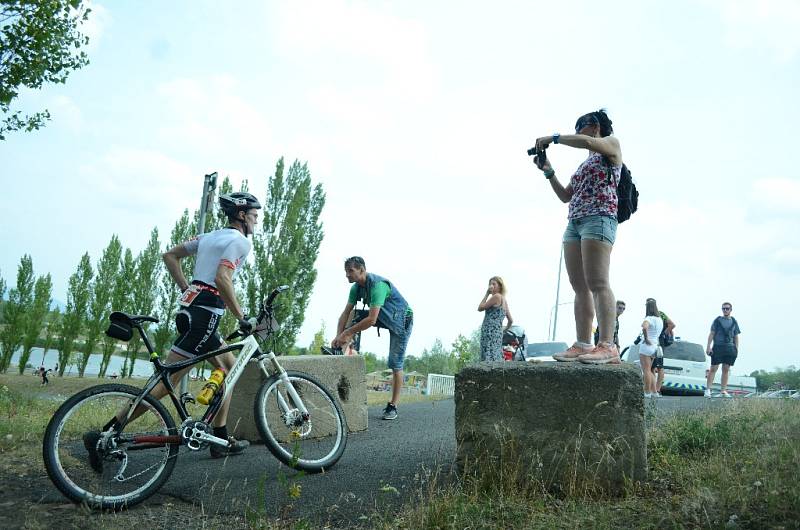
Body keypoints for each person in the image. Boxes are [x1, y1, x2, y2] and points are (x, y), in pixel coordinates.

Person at [87, 192, 263, 467]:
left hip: (192, 311)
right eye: (254, 216)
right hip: (205, 316)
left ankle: (219, 438)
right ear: (241, 216)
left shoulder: (210, 237)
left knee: (228, 368)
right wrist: (242, 316)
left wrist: (186, 287)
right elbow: (222, 278)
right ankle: (105, 434)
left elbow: (170, 255)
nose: (256, 222)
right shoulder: (240, 242)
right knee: (164, 385)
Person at [533, 109, 624, 364]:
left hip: (599, 217)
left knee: (598, 282)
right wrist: (548, 171)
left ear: (594, 126)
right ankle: (584, 343)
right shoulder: (585, 163)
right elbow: (565, 195)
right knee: (579, 286)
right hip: (575, 222)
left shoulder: (612, 144)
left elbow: (586, 142)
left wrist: (554, 138)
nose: (577, 133)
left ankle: (607, 344)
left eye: (579, 128)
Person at [332, 257, 413, 420]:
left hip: (401, 320)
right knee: (354, 315)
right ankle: (338, 349)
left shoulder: (378, 286)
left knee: (395, 363)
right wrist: (338, 335)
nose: (347, 275)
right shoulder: (356, 288)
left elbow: (371, 320)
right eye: (346, 272)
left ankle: (393, 406)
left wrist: (347, 333)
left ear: (362, 270)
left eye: (351, 271)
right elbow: (346, 313)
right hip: (383, 316)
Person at [705, 302, 741, 398]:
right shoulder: (717, 320)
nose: (725, 310)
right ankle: (708, 389)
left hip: (730, 348)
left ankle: (723, 391)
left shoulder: (734, 321)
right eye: (723, 308)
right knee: (713, 368)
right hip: (718, 346)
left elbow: (736, 336)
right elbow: (712, 334)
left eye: (727, 308)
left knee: (726, 369)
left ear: (730, 310)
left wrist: (736, 349)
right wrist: (708, 346)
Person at [478, 276, 514, 361]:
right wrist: (503, 330)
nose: (491, 286)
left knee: (488, 353)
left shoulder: (496, 297)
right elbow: (511, 320)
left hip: (489, 330)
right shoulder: (504, 300)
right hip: (497, 332)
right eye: (490, 284)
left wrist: (487, 293)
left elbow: (480, 308)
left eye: (494, 284)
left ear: (500, 286)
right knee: (495, 354)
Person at [638, 299, 664, 397]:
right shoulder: (660, 320)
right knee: (651, 370)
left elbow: (644, 327)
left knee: (646, 370)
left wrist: (646, 338)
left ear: (647, 307)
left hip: (646, 346)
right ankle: (654, 392)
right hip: (654, 346)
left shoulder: (649, 318)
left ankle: (647, 392)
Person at [650, 301, 676, 397]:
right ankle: (654, 389)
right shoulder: (653, 315)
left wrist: (664, 333)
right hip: (654, 342)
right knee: (653, 367)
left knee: (658, 366)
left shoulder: (660, 314)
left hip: (658, 342)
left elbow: (672, 324)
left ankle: (656, 389)